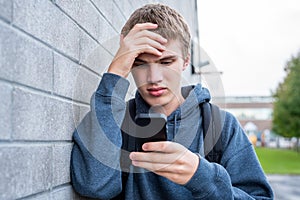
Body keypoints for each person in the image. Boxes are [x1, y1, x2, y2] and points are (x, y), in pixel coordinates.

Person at [70, 3, 274, 199]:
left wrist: (203, 177)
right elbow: (94, 187)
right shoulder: (114, 118)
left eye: (166, 62)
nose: (154, 78)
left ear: (186, 60)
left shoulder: (220, 125)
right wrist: (115, 74)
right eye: (140, 63)